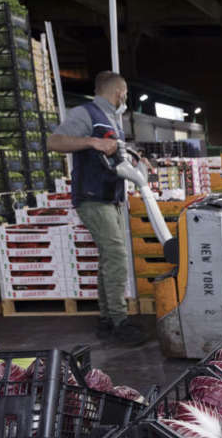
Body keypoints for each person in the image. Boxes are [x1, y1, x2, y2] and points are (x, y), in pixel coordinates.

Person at [46, 71, 147, 346]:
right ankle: (119, 321)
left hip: (109, 196)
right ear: (119, 92)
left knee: (108, 256)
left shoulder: (112, 118)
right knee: (116, 254)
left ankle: (105, 318)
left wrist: (136, 158)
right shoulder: (85, 113)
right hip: (92, 197)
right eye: (125, 93)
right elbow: (54, 142)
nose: (125, 98)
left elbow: (115, 151)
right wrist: (91, 141)